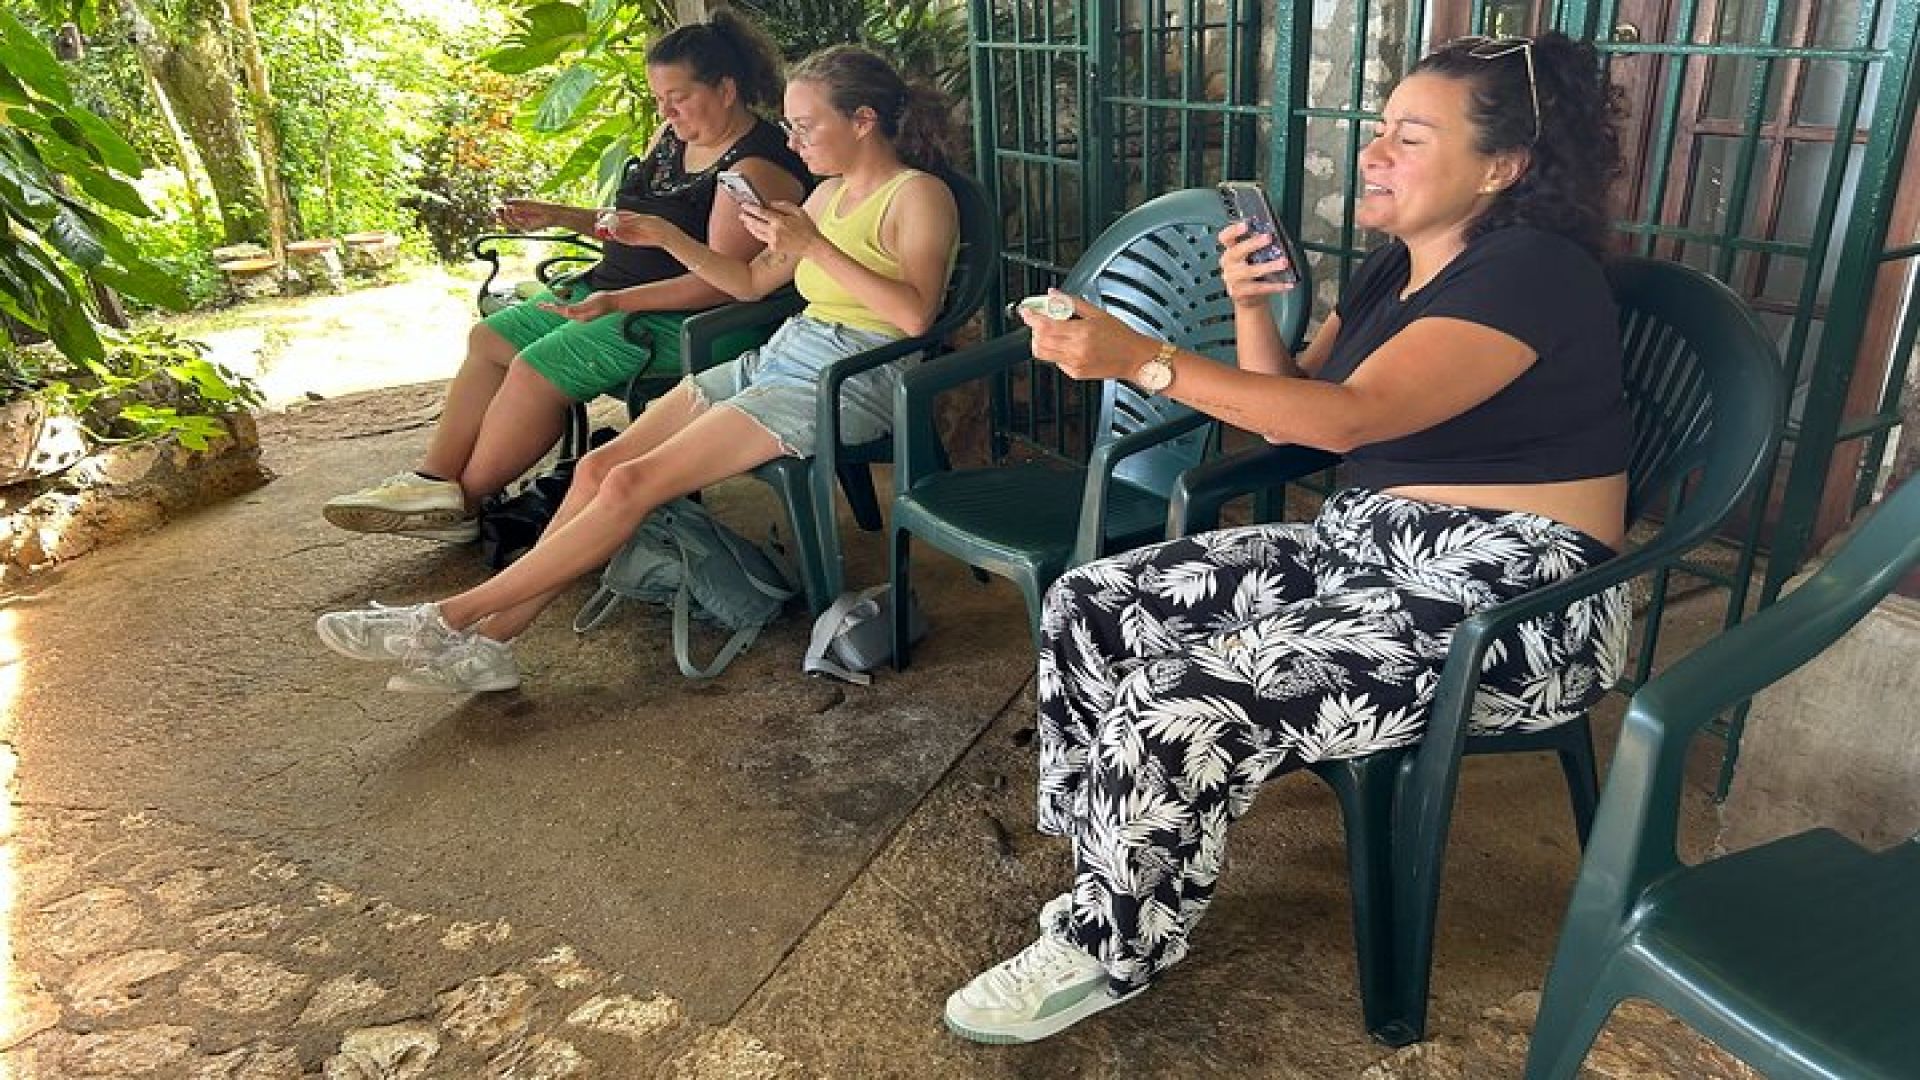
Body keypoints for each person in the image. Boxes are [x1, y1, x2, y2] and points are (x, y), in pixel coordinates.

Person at [943, 32, 1635, 1044]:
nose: (1374, 154)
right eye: (1379, 130)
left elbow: (1352, 419)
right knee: (1092, 602)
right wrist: (1250, 308)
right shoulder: (1391, 268)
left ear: (1504, 167)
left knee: (1179, 693)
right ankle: (1111, 862)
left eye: (1408, 137)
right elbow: (1288, 414)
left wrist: (1143, 359)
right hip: (1366, 551)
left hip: (1514, 596)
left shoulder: (1531, 271)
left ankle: (1112, 946)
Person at [314, 45, 960, 693]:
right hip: (786, 355)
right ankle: (490, 645)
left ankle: (449, 618)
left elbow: (914, 317)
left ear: (863, 120)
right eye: (788, 125)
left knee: (631, 485)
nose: (792, 141)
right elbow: (746, 282)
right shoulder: (825, 198)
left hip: (850, 377)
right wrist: (668, 238)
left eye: (805, 126)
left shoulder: (918, 196)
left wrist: (814, 247)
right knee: (599, 468)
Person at [321, 9, 809, 543]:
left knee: (537, 368)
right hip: (610, 291)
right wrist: (561, 216)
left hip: (685, 318)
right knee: (488, 338)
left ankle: (462, 504)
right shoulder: (671, 138)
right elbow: (634, 224)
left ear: (726, 89)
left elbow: (725, 282)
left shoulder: (751, 171)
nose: (666, 111)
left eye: (679, 97)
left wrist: (621, 303)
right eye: (658, 99)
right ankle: (432, 483)